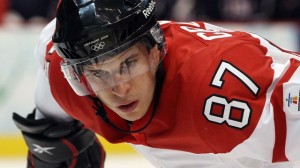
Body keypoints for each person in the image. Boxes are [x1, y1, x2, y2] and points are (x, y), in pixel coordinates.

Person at [12, 0, 300, 167]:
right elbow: (52, 136)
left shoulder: (225, 90)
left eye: (128, 64)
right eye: (99, 73)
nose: (119, 89)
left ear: (154, 52)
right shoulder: (62, 76)